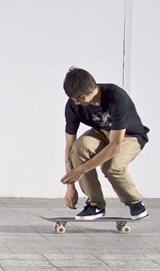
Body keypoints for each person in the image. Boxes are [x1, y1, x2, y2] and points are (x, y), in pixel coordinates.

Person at [60, 67, 150, 220]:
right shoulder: (73, 105)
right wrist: (70, 186)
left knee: (112, 167)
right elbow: (69, 147)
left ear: (93, 89)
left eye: (80, 97)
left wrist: (80, 170)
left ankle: (135, 202)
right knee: (79, 148)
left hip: (130, 136)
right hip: (102, 132)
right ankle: (96, 205)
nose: (77, 102)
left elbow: (115, 146)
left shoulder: (116, 97)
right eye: (73, 98)